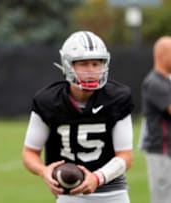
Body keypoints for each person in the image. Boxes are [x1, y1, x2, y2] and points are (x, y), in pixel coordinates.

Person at [22, 31, 134, 203]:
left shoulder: (116, 97)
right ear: (68, 65)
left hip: (112, 193)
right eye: (83, 64)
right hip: (70, 193)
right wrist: (43, 171)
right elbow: (29, 152)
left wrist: (97, 178)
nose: (91, 71)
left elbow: (125, 156)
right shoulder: (48, 101)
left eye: (96, 64)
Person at [140, 36, 171, 203]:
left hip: (167, 151)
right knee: (163, 199)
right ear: (162, 55)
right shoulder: (155, 83)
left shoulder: (165, 81)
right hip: (161, 151)